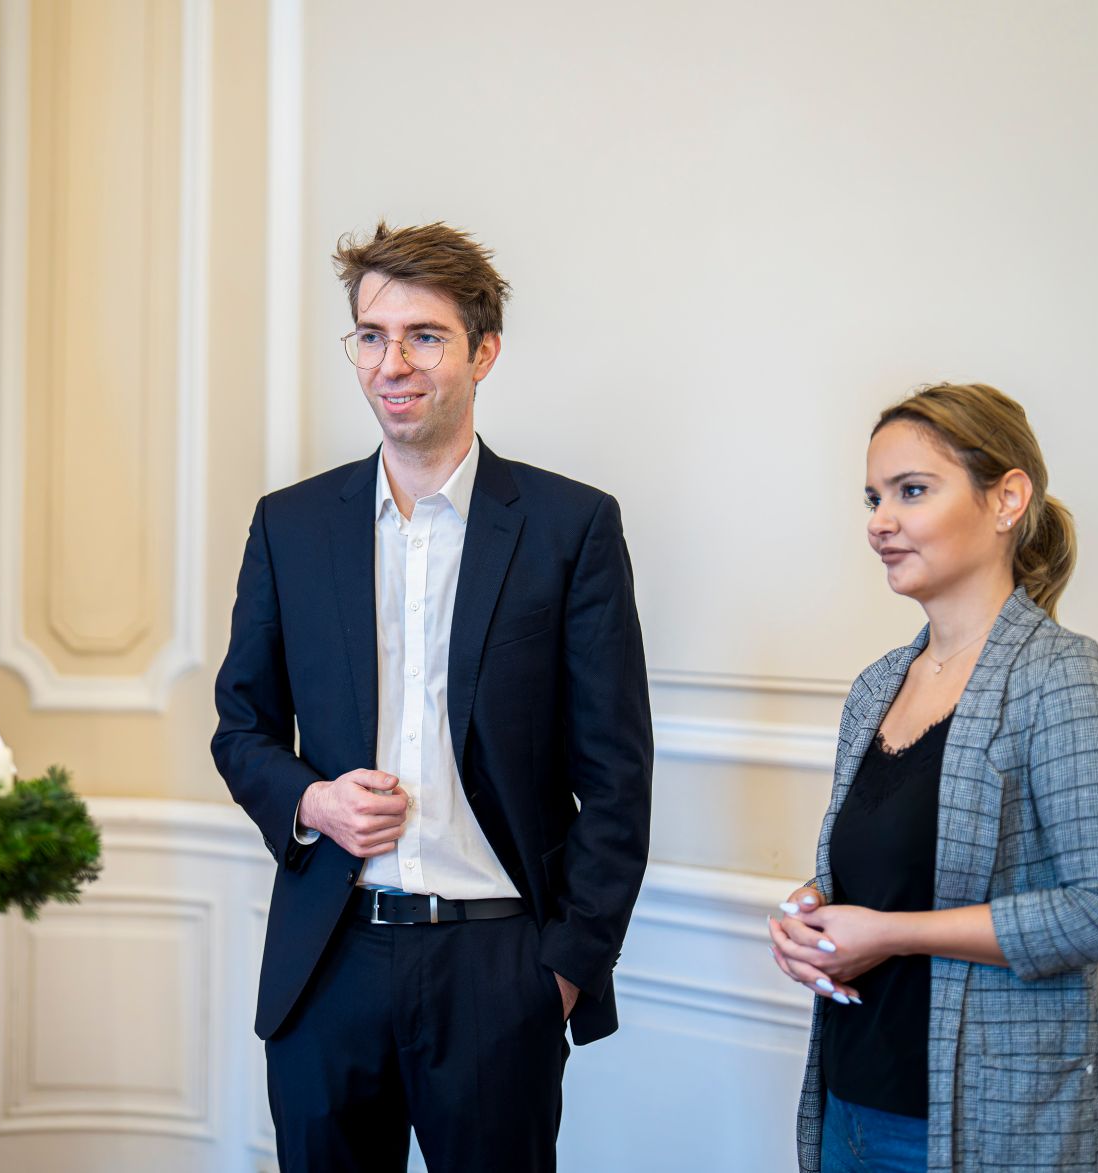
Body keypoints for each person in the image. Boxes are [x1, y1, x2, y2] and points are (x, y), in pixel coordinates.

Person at [212, 221, 653, 1171]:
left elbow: (617, 775)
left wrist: (565, 972)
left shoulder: (571, 528)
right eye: (370, 335)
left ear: (483, 351)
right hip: (326, 964)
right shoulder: (289, 525)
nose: (391, 363)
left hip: (499, 966)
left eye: (424, 336)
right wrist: (311, 801)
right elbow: (240, 728)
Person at [767, 383, 1098, 1172]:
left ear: (1008, 497)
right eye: (874, 496)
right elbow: (903, 863)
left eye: (912, 491)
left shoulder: (1059, 674)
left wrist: (891, 932)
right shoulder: (879, 685)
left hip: (988, 1122)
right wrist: (810, 907)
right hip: (849, 1102)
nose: (880, 521)